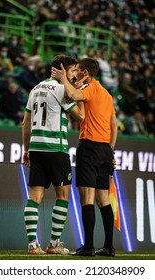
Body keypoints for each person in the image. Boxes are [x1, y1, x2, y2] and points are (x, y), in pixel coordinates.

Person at [51, 57, 118, 256]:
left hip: (89, 148)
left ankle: (88, 247)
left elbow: (74, 94)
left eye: (78, 70)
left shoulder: (91, 88)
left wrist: (64, 79)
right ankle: (109, 247)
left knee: (86, 199)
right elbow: (114, 124)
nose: (76, 72)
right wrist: (110, 150)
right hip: (105, 149)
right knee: (104, 200)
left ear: (86, 73)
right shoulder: (107, 94)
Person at [22, 55, 85, 255]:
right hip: (56, 149)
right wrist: (79, 92)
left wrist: (26, 149)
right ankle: (54, 243)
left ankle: (32, 244)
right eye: (74, 70)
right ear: (63, 70)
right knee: (63, 194)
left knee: (35, 196)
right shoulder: (61, 89)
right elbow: (81, 116)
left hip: (36, 148)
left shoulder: (35, 88)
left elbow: (25, 123)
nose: (75, 74)